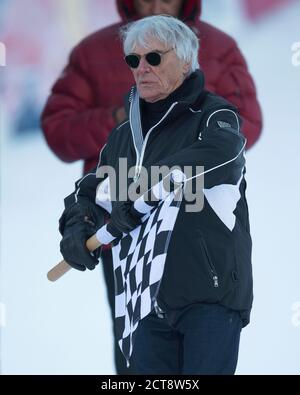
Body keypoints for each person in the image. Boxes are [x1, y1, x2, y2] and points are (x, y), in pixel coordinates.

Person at [41, 0, 260, 374]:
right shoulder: (124, 137)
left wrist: (145, 191)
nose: (141, 68)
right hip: (142, 302)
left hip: (208, 295)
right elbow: (92, 190)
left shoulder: (214, 117)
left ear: (187, 59)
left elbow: (220, 154)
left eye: (154, 58)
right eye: (133, 60)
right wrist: (78, 225)